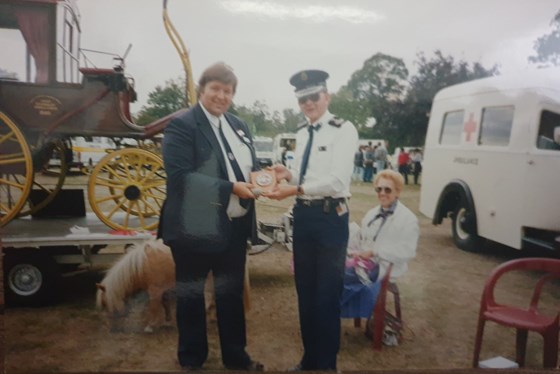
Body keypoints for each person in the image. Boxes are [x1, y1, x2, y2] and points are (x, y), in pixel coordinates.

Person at [160, 62, 263, 371]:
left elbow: (251, 165)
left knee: (230, 296)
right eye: (215, 89)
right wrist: (231, 187)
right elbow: (180, 178)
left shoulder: (239, 125)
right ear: (201, 90)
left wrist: (266, 176)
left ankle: (237, 358)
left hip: (233, 228)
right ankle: (192, 359)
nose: (221, 96)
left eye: (227, 91)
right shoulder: (182, 125)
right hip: (194, 229)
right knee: (191, 297)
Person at [265, 69, 358, 371]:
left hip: (331, 217)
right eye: (302, 98)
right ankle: (309, 359)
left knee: (327, 295)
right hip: (303, 215)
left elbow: (336, 180)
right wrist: (287, 175)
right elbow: (305, 176)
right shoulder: (302, 133)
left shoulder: (344, 130)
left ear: (326, 96)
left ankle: (327, 365)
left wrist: (296, 187)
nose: (308, 103)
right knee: (305, 292)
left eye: (313, 96)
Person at [342, 169, 419, 319]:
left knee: (336, 276)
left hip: (386, 266)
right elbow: (363, 239)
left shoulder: (408, 219)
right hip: (364, 262)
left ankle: (329, 312)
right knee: (333, 268)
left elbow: (408, 251)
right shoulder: (372, 214)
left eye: (387, 189)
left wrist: (375, 252)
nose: (382, 193)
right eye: (379, 189)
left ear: (398, 192)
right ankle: (330, 312)